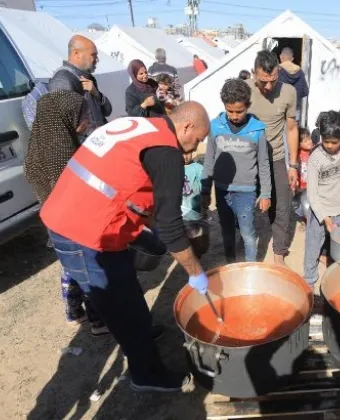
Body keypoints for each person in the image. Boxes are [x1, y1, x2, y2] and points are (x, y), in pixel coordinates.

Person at [40, 102, 212, 392]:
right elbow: (170, 226)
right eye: (197, 140)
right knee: (122, 307)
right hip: (82, 233)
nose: (195, 148)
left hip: (83, 213)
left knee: (127, 290)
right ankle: (146, 375)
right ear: (186, 126)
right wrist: (195, 271)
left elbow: (136, 192)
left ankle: (142, 333)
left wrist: (159, 229)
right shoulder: (167, 153)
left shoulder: (145, 126)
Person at [23, 91, 106, 334]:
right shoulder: (60, 154)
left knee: (69, 265)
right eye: (83, 114)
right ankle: (98, 320)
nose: (88, 119)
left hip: (54, 220)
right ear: (66, 116)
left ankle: (73, 312)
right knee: (86, 266)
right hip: (70, 220)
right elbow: (73, 193)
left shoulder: (41, 144)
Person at [201, 79, 272, 263]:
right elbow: (209, 159)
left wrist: (265, 193)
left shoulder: (257, 130)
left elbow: (263, 163)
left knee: (248, 232)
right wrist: (205, 190)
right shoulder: (215, 126)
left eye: (239, 111)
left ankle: (249, 267)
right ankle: (231, 264)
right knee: (227, 230)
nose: (234, 116)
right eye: (230, 111)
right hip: (222, 189)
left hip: (246, 191)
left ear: (247, 106)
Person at [246, 50, 299, 265]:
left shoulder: (289, 92)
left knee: (282, 205)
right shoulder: (244, 90)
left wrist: (293, 164)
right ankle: (246, 246)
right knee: (245, 203)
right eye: (262, 82)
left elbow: (292, 128)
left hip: (276, 156)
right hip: (248, 159)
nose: (268, 87)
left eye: (273, 80)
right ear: (253, 74)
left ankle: (279, 253)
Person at [303, 111, 340, 286]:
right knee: (313, 248)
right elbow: (311, 194)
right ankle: (310, 282)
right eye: (325, 141)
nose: (328, 145)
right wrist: (325, 218)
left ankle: (337, 281)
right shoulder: (316, 158)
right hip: (321, 211)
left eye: (334, 142)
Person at [49, 35, 112, 140]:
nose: (97, 60)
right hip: (87, 149)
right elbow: (63, 129)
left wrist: (97, 94)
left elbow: (107, 110)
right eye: (93, 55)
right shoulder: (63, 80)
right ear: (76, 54)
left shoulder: (87, 78)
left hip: (99, 143)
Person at [278, 47, 309, 120]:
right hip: (295, 110)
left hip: (279, 109)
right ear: (292, 59)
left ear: (280, 56)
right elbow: (305, 92)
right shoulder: (300, 72)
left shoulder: (277, 71)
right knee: (293, 130)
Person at [298, 127, 314, 192]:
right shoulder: (297, 156)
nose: (309, 142)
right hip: (300, 188)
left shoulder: (314, 153)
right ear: (298, 144)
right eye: (305, 141)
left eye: (309, 138)